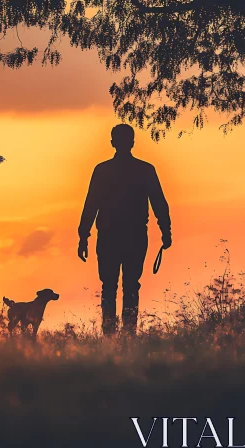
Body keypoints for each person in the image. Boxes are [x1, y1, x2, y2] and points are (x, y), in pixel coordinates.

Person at [77, 124, 172, 336]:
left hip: (109, 237)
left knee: (109, 287)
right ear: (132, 142)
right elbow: (159, 202)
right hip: (135, 237)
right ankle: (129, 335)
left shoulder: (102, 170)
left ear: (113, 143)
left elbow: (90, 204)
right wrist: (165, 231)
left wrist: (84, 236)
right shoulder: (145, 170)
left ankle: (109, 335)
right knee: (131, 286)